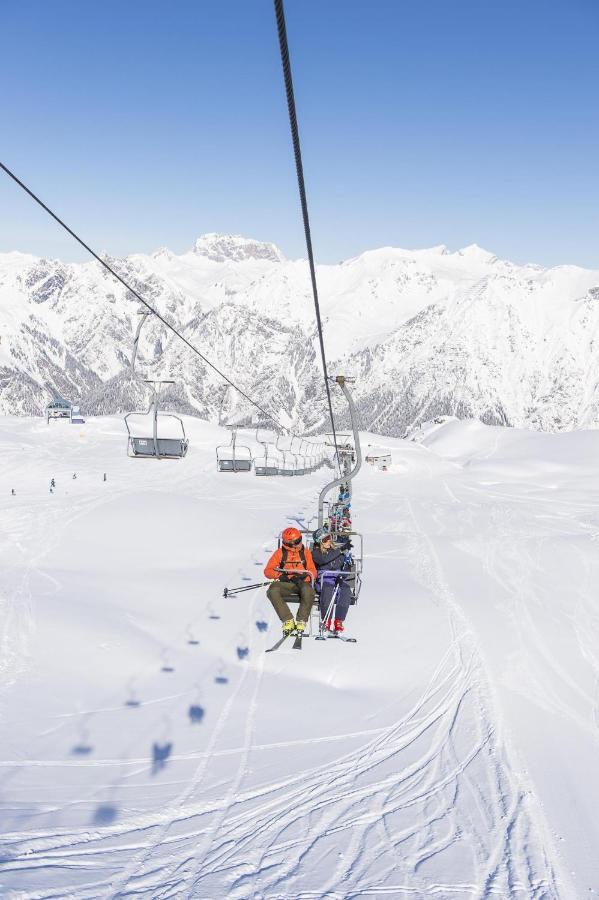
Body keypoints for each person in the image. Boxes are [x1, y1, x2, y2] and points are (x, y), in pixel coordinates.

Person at [264, 527, 316, 635]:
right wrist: (280, 575)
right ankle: (288, 620)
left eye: (300, 539)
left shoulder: (305, 552)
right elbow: (267, 571)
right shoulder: (280, 553)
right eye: (297, 541)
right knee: (272, 590)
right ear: (288, 543)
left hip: (302, 583)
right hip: (286, 583)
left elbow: (313, 571)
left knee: (308, 590)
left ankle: (301, 621)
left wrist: (303, 577)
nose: (300, 543)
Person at [312, 527, 353, 633]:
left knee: (346, 590)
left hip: (337, 579)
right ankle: (326, 620)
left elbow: (345, 568)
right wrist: (340, 550)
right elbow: (324, 559)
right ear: (319, 542)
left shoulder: (336, 551)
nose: (328, 541)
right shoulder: (316, 553)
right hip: (324, 579)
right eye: (325, 539)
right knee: (328, 589)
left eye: (329, 537)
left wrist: (347, 562)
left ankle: (339, 621)